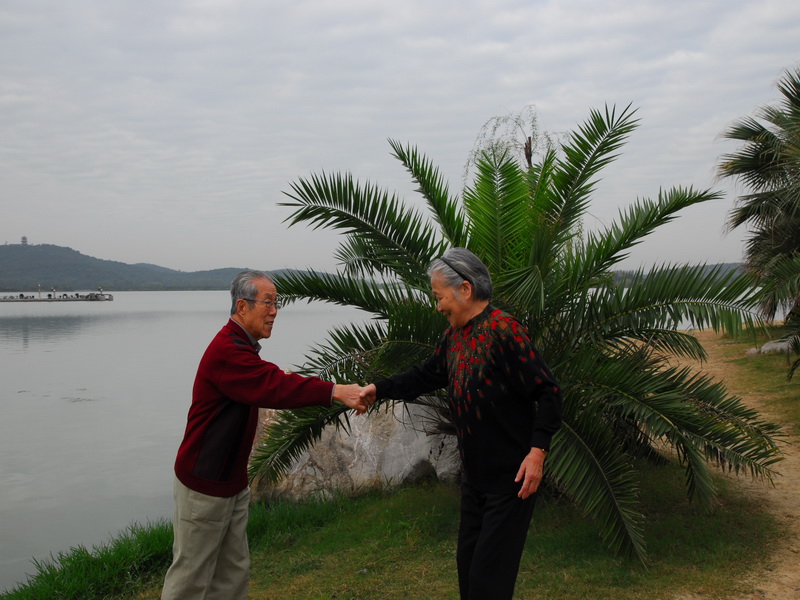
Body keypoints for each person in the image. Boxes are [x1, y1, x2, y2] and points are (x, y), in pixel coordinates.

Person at [361, 248, 562, 600]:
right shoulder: (455, 337)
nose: (438, 306)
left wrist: (537, 452)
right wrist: (377, 389)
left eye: (439, 296)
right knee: (470, 576)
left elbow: (548, 392)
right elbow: (422, 376)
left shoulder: (505, 331)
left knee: (488, 583)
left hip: (510, 483)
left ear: (465, 290)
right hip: (475, 482)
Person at [161, 270, 371, 600]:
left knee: (233, 573)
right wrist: (337, 391)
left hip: (231, 481)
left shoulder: (242, 347)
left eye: (277, 303)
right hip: (204, 483)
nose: (274, 311)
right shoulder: (229, 352)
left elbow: (268, 381)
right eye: (268, 303)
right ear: (242, 307)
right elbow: (274, 385)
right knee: (191, 578)